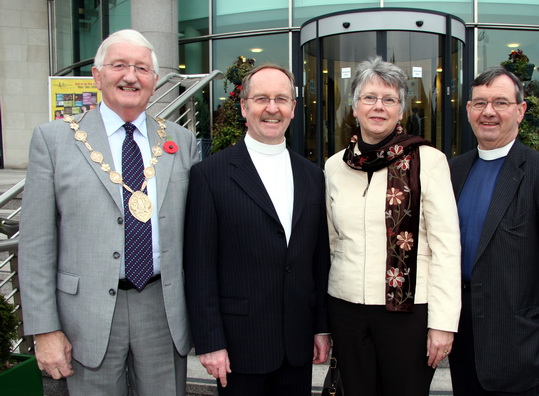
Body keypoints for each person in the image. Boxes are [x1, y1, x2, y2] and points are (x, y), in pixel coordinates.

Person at [19, 29, 198, 395]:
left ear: (153, 80)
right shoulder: (53, 141)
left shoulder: (181, 141)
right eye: (119, 65)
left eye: (142, 69)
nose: (131, 76)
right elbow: (36, 243)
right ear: (98, 76)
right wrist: (44, 330)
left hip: (162, 309)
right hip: (85, 317)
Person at [184, 63, 331, 396]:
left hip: (297, 346)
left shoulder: (312, 176)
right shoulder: (210, 175)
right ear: (244, 106)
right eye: (261, 98)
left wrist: (321, 328)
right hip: (239, 349)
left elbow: (318, 261)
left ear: (293, 108)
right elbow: (199, 268)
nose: (272, 108)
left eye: (281, 99)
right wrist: (209, 342)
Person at [324, 56, 461, 396]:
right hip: (347, 309)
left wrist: (443, 324)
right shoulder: (334, 167)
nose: (378, 107)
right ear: (354, 107)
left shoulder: (428, 160)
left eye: (389, 99)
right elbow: (331, 243)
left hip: (408, 312)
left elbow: (446, 246)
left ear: (401, 110)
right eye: (369, 97)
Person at [448, 66, 539, 395]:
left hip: (518, 340)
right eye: (480, 103)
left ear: (520, 110)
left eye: (500, 102)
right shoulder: (452, 170)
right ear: (468, 110)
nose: (489, 112)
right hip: (463, 337)